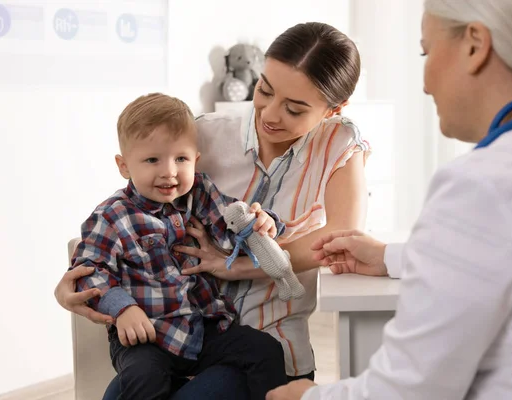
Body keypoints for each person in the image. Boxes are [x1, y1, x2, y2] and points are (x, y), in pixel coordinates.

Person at [266, 0, 512, 399]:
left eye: (426, 52)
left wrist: (304, 397)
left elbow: (409, 390)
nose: (425, 83)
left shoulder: (486, 183)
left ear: (474, 44)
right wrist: (390, 257)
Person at [55, 22, 373, 399]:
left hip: (251, 338)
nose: (270, 114)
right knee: (136, 385)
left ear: (333, 109)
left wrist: (242, 258)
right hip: (167, 334)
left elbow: (340, 236)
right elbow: (122, 225)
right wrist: (79, 288)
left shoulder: (338, 146)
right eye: (264, 89)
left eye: (294, 108)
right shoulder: (200, 136)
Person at [70, 92, 288, 400]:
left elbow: (230, 223)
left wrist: (261, 222)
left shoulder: (199, 192)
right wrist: (123, 309)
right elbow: (90, 271)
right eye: (152, 160)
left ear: (195, 159)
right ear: (124, 166)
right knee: (143, 377)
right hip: (146, 336)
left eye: (180, 159)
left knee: (265, 350)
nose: (169, 171)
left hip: (204, 328)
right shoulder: (112, 215)